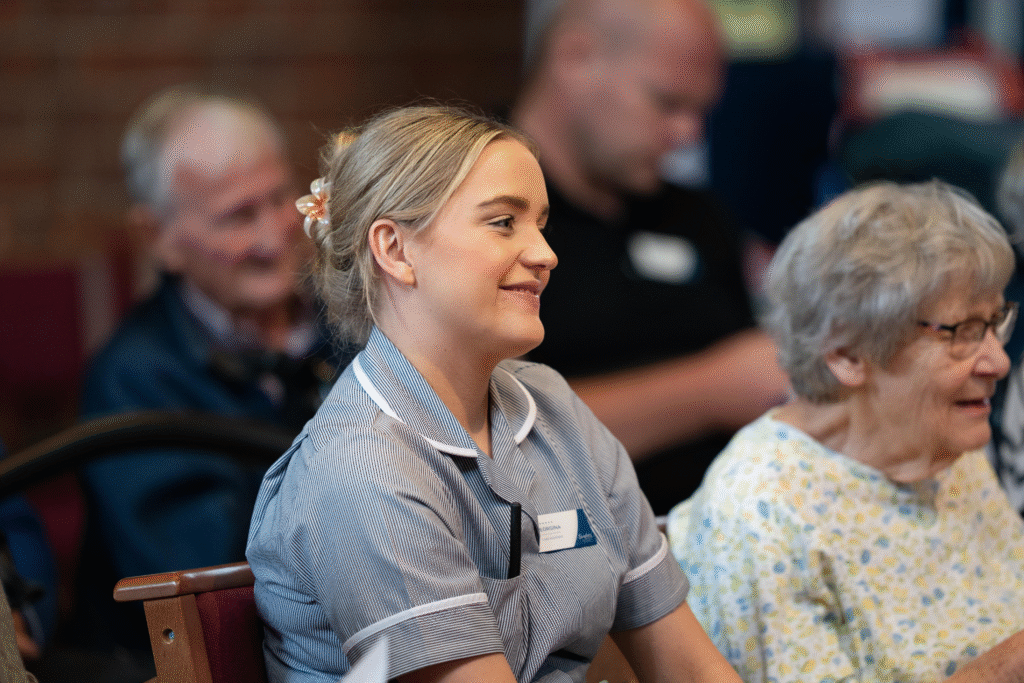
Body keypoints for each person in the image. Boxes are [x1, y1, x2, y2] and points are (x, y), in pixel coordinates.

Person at [246, 104, 742, 683]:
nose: (545, 255)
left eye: (541, 223)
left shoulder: (552, 404)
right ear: (395, 251)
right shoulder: (356, 464)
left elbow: (690, 667)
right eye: (503, 222)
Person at [667, 180, 1024, 682]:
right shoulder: (762, 509)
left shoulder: (946, 449)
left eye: (995, 324)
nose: (999, 360)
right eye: (963, 332)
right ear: (848, 355)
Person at [511, 0, 788, 514]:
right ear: (575, 57)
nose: (688, 134)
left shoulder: (697, 215)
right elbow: (480, 431)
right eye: (666, 103)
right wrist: (710, 391)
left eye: (700, 111)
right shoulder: (476, 214)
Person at [80, 84, 343, 583]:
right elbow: (208, 579)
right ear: (159, 238)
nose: (274, 235)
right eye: (239, 215)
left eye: (279, 197)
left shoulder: (351, 323)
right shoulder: (131, 380)